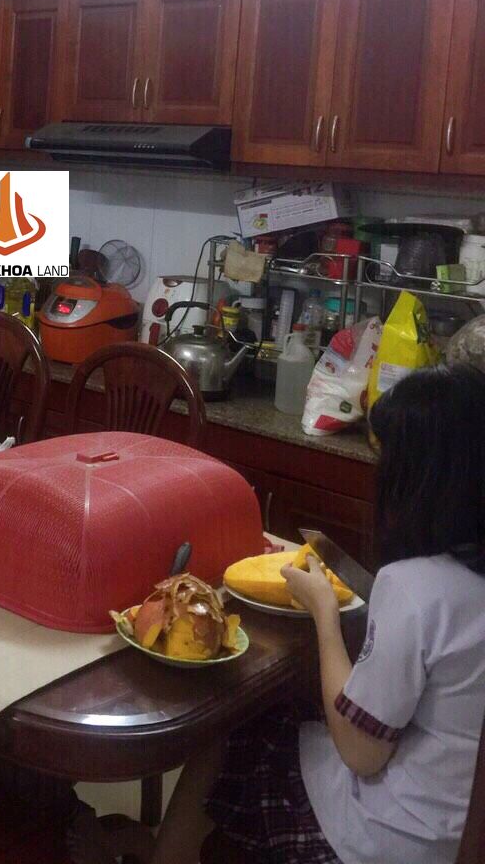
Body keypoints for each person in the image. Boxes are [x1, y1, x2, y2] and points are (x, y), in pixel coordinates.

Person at [71, 364, 485, 864]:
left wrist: (324, 611)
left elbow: (361, 751)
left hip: (385, 843)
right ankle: (166, 850)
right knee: (286, 709)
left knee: (237, 724)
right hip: (453, 832)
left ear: (422, 481)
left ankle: (167, 856)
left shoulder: (417, 587)